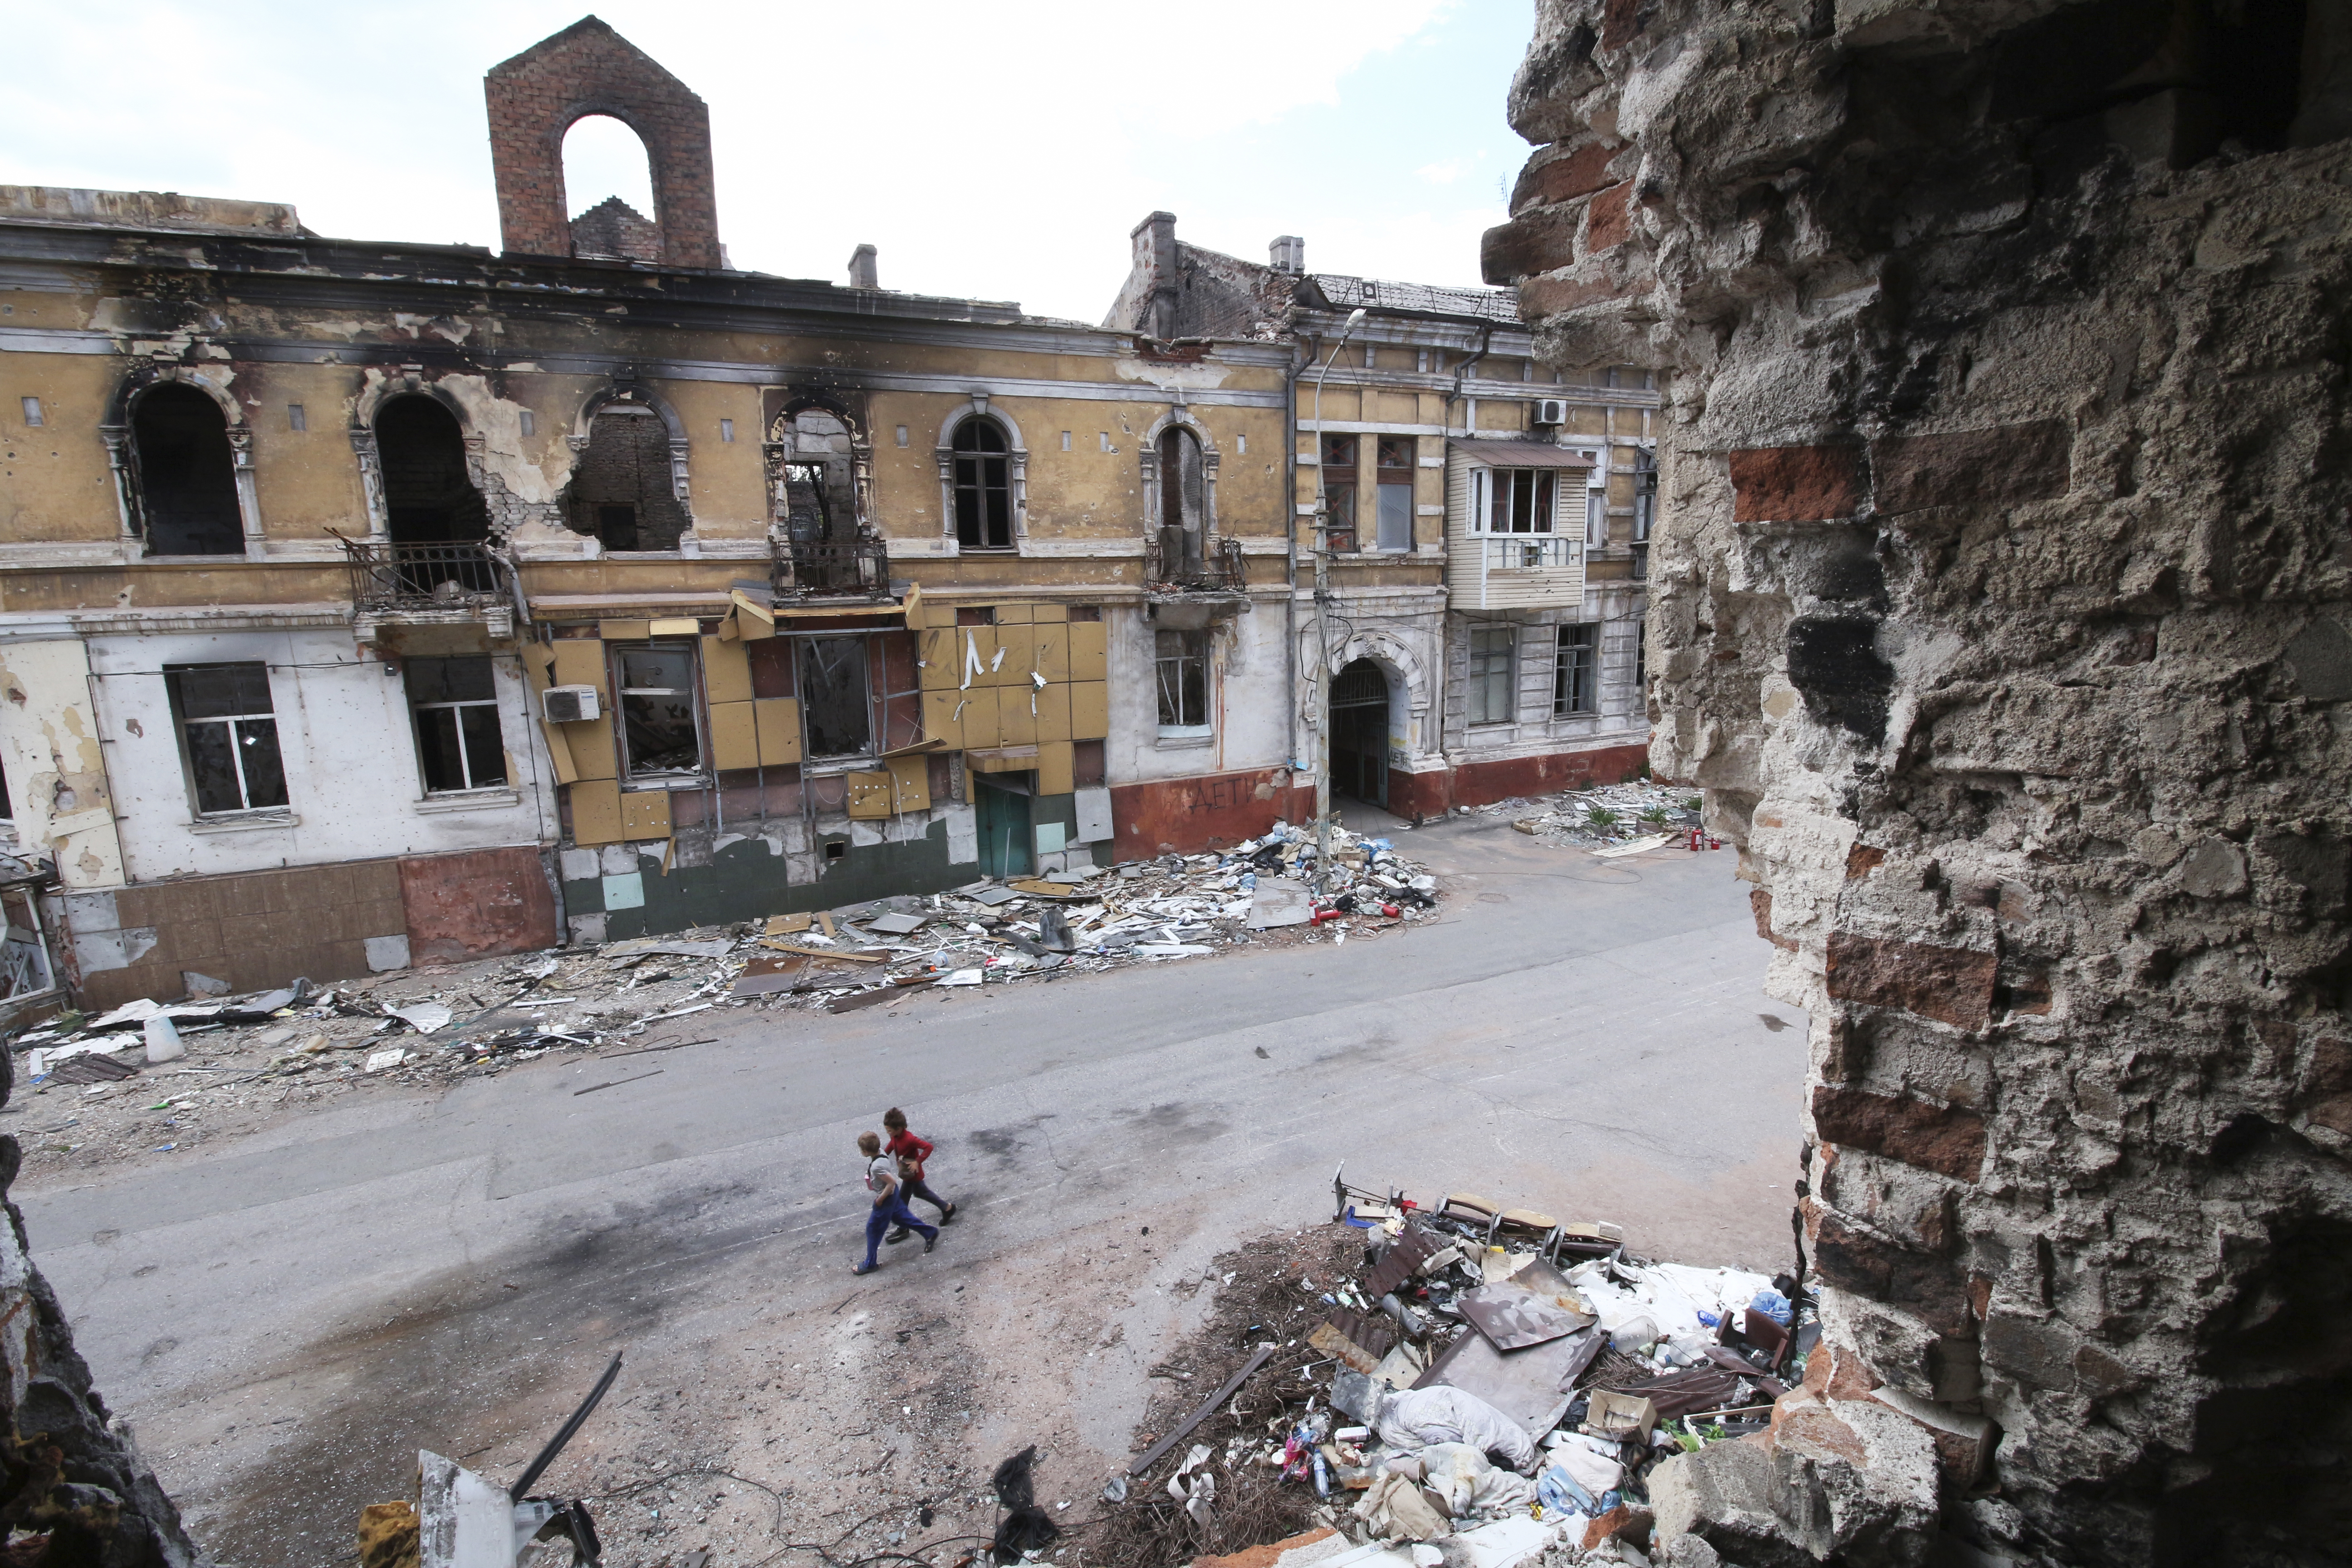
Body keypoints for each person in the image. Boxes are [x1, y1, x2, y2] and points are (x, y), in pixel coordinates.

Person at [855, 1130, 937, 1276]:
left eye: (862, 1149)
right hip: (893, 1196)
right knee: (903, 1218)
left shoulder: (876, 1167)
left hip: (886, 1198)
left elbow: (891, 1183)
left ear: (866, 1151)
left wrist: (880, 1200)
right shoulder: (881, 1154)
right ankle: (930, 1232)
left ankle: (870, 1264)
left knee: (873, 1229)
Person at [882, 1107, 956, 1244]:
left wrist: (918, 1162)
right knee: (922, 1193)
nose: (888, 1133)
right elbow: (891, 1147)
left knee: (902, 1202)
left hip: (912, 1175)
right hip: (908, 1175)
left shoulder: (909, 1139)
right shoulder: (896, 1137)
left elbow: (929, 1147)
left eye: (890, 1131)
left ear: (899, 1128)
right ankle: (947, 1208)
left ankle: (904, 1228)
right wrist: (880, 1157)